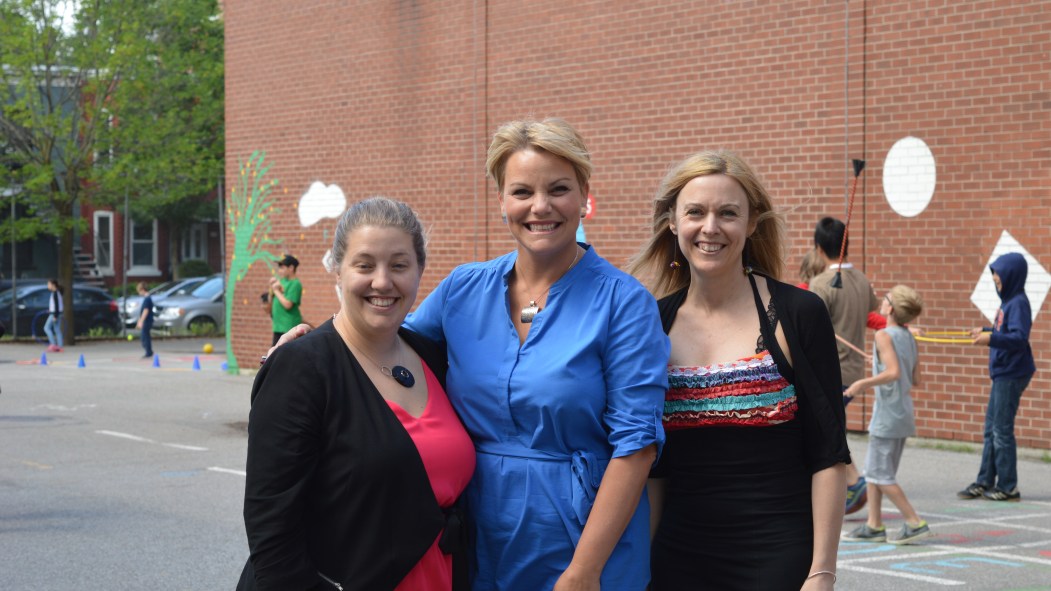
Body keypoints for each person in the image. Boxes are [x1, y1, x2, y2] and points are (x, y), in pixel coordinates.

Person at [405, 118, 669, 590]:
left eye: (559, 189)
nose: (540, 206)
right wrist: (317, 342)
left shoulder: (624, 303)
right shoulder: (462, 289)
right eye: (522, 191)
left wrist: (584, 573)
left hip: (581, 544)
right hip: (478, 539)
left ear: (584, 195)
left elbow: (637, 447)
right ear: (502, 200)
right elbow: (386, 347)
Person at [630, 150, 849, 590]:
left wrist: (822, 572)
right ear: (673, 221)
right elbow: (654, 468)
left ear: (751, 224)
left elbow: (828, 453)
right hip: (676, 559)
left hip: (776, 557)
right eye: (695, 212)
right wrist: (638, 571)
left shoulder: (798, 313)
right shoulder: (651, 322)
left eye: (728, 213)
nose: (710, 227)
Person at [238, 197, 475, 591]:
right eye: (364, 265)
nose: (382, 282)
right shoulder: (302, 368)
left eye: (399, 265)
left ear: (420, 270)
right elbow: (272, 534)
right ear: (337, 270)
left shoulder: (432, 355)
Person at [841, 285, 931, 544]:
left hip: (888, 414)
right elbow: (915, 377)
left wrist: (862, 383)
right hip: (902, 412)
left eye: (886, 298)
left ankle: (914, 522)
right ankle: (874, 524)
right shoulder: (908, 336)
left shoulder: (883, 335)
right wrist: (880, 363)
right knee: (874, 471)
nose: (882, 300)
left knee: (881, 475)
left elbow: (894, 372)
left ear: (890, 308)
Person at [808, 217, 879, 514]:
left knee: (826, 430)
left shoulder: (820, 283)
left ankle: (854, 480)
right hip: (853, 372)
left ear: (819, 248)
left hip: (829, 371)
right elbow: (870, 310)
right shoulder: (862, 280)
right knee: (830, 428)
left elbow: (809, 330)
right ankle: (847, 482)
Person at [957, 252, 1035, 502]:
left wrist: (991, 338)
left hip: (1012, 373)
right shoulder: (1008, 302)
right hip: (1003, 372)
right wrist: (986, 330)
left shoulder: (1018, 303)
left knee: (1001, 430)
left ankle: (1008, 486)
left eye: (998, 276)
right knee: (991, 429)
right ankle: (985, 481)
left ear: (1012, 276)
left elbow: (1019, 338)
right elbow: (1005, 330)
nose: (995, 280)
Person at [262, 254, 303, 346]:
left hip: (288, 327)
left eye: (282, 267)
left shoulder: (295, 284)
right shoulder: (282, 281)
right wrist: (271, 288)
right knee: (275, 352)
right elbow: (270, 303)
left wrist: (276, 290)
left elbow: (288, 305)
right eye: (279, 267)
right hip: (278, 327)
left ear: (291, 268)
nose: (280, 270)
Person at [134, 282, 154, 359]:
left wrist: (141, 321)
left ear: (142, 290)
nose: (139, 293)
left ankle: (148, 352)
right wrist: (139, 321)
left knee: (144, 337)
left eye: (139, 291)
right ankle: (149, 351)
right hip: (147, 320)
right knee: (145, 336)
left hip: (147, 320)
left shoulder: (147, 299)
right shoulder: (147, 298)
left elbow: (146, 311)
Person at [44, 279, 64, 353]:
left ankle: (53, 345)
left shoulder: (55, 293)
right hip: (58, 313)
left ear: (53, 285)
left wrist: (55, 316)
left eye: (49, 284)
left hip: (55, 314)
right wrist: (50, 310)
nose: (48, 286)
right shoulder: (57, 293)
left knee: (46, 328)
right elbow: (56, 305)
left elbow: (57, 305)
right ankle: (60, 347)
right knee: (57, 330)